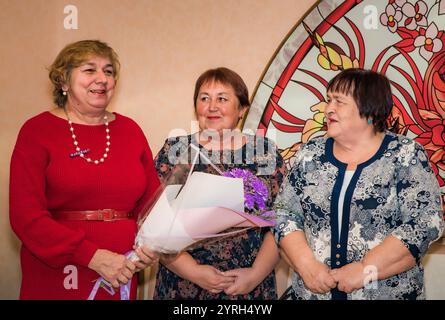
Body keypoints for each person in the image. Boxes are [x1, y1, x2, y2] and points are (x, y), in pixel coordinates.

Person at [273, 68, 444, 300]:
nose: (328, 109)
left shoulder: (405, 155)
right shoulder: (309, 155)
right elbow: (284, 214)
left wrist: (365, 269)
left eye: (339, 102)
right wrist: (306, 266)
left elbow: (425, 222)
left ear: (369, 109)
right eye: (328, 100)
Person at [9, 40, 160, 300]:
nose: (102, 79)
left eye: (109, 71)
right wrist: (91, 256)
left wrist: (152, 247)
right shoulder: (36, 131)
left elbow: (153, 205)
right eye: (90, 70)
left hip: (122, 272)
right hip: (58, 272)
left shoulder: (131, 130)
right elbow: (26, 216)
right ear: (64, 82)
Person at [152, 67, 286, 299]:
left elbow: (283, 223)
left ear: (242, 108)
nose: (212, 106)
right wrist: (192, 271)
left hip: (250, 284)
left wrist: (255, 274)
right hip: (183, 283)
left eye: (222, 98)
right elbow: (154, 222)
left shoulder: (265, 154)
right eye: (204, 98)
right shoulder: (176, 151)